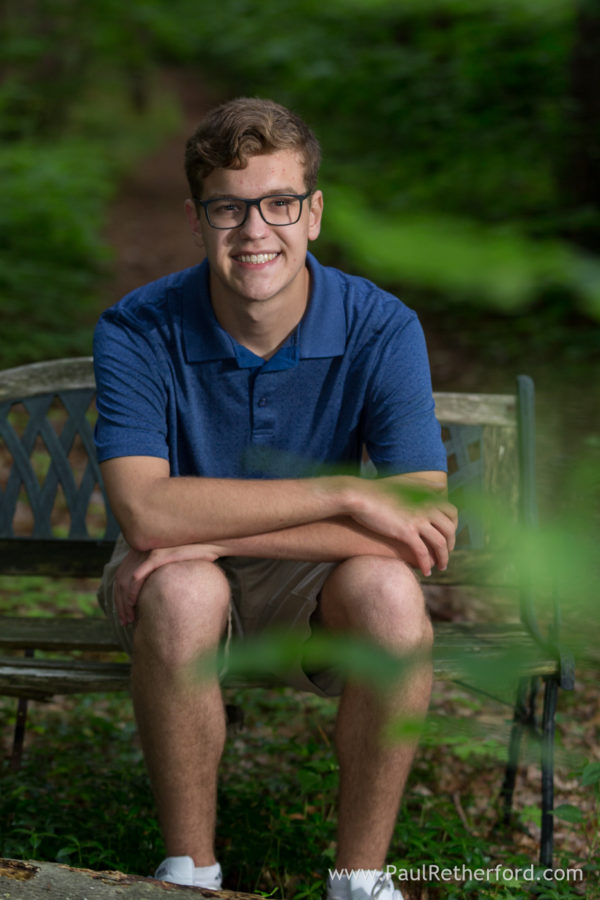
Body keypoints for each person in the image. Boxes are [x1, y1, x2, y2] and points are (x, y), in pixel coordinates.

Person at [94, 97, 457, 900]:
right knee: (183, 590)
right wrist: (344, 492)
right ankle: (191, 873)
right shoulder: (137, 329)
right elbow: (145, 515)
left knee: (394, 597)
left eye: (279, 204)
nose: (255, 231)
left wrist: (209, 531)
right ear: (197, 220)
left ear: (313, 213)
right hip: (180, 573)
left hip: (313, 580)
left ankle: (359, 880)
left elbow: (424, 524)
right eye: (229, 208)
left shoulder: (380, 327)